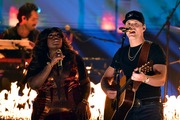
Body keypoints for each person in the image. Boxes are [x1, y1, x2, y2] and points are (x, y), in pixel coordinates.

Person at [101, 10, 167, 120]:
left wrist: (144, 78)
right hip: (124, 108)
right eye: (129, 24)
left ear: (144, 28)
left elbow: (161, 79)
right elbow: (106, 77)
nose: (132, 26)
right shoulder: (121, 52)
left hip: (149, 108)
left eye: (136, 24)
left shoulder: (154, 49)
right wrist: (107, 90)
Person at [24, 27, 91, 120]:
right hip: (45, 113)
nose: (55, 38)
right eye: (51, 36)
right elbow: (34, 85)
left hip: (74, 112)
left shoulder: (75, 58)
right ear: (44, 41)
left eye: (58, 35)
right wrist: (51, 64)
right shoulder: (38, 61)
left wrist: (84, 102)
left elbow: (86, 83)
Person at [0, 2, 40, 91]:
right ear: (24, 18)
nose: (36, 22)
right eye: (33, 19)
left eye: (37, 19)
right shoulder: (8, 35)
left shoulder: (37, 36)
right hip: (9, 75)